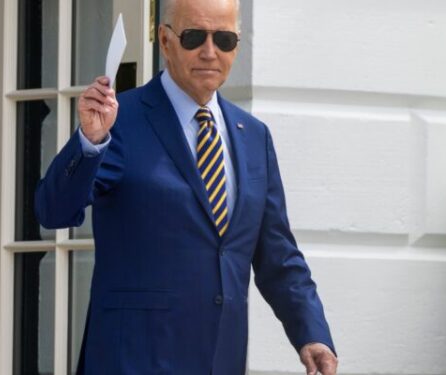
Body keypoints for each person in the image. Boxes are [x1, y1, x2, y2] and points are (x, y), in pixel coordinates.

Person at [34, 0, 338, 373]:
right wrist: (89, 141)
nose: (210, 52)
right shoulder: (121, 120)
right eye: (194, 37)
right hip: (132, 361)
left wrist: (311, 333)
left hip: (219, 361)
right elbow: (53, 211)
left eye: (224, 39)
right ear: (165, 41)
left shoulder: (254, 136)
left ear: (237, 46)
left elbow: (279, 256)